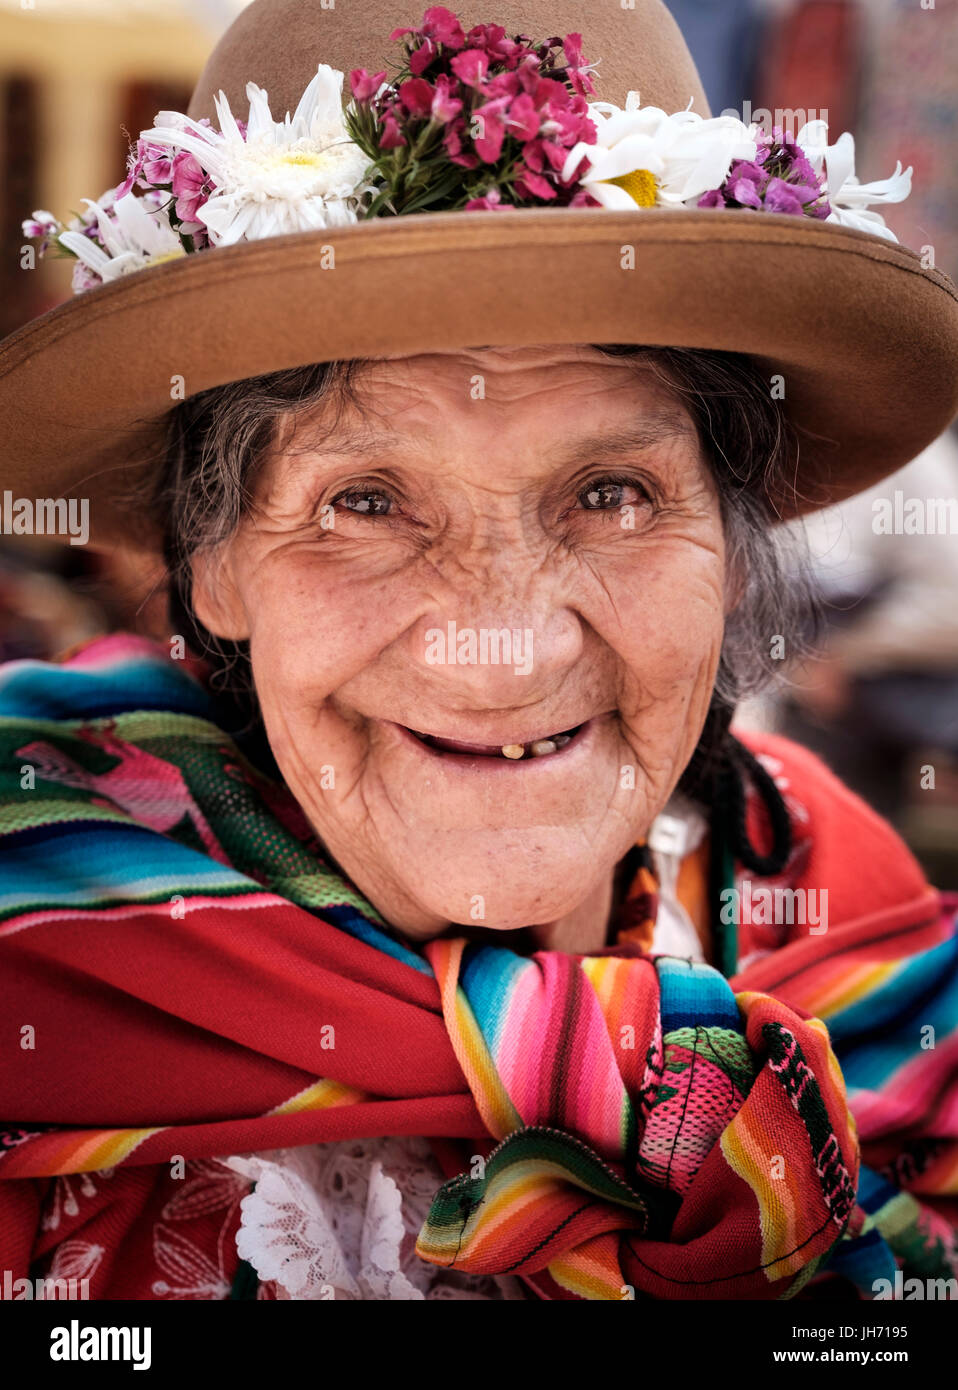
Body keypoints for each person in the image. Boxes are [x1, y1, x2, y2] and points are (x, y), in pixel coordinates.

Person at [0, 0, 955, 1302]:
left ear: (728, 550)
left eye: (610, 492)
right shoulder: (37, 944)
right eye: (368, 501)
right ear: (213, 560)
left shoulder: (860, 940)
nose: (499, 648)